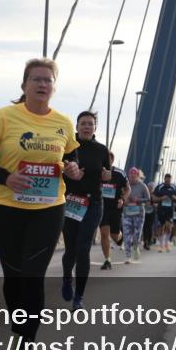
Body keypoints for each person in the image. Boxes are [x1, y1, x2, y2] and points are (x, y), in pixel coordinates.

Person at [0, 58, 82, 350]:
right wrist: (6, 177)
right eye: (36, 79)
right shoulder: (4, 116)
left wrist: (73, 169)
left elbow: (71, 160)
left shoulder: (63, 122)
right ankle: (19, 331)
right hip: (7, 208)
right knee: (14, 277)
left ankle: (23, 347)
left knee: (33, 276)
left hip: (48, 210)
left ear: (54, 87)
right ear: (24, 85)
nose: (42, 84)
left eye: (48, 80)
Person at [59, 111, 111, 309]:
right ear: (77, 126)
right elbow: (59, 170)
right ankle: (66, 279)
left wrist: (107, 176)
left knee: (83, 248)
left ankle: (78, 297)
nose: (87, 127)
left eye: (90, 124)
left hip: (93, 204)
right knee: (71, 249)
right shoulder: (67, 147)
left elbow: (106, 174)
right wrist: (68, 173)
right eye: (83, 123)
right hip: (71, 201)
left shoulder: (101, 150)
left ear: (95, 127)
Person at [98, 152, 128, 268]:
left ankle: (121, 238)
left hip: (116, 207)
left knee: (114, 236)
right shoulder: (98, 172)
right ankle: (107, 260)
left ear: (112, 160)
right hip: (102, 207)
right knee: (104, 233)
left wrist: (123, 199)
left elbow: (128, 188)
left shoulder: (119, 173)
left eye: (107, 159)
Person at [122, 168, 150, 263]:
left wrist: (138, 200)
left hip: (139, 213)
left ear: (138, 176)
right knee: (126, 235)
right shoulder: (125, 185)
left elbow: (148, 198)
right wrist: (124, 200)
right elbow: (120, 196)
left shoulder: (142, 186)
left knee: (136, 235)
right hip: (127, 213)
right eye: (131, 176)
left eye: (134, 176)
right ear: (129, 176)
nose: (132, 178)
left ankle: (136, 246)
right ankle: (128, 257)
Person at [152, 174, 176, 252]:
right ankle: (161, 246)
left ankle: (166, 243)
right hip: (161, 209)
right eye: (166, 180)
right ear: (164, 179)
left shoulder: (174, 187)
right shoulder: (159, 187)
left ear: (171, 180)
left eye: (169, 180)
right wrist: (161, 198)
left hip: (170, 210)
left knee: (169, 227)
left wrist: (175, 198)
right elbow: (153, 198)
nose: (168, 182)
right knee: (161, 227)